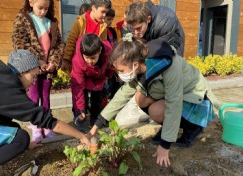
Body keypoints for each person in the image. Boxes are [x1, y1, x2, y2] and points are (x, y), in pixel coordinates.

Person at [89, 34, 220, 167]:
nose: (120, 74)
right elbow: (121, 96)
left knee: (156, 110)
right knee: (140, 98)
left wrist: (165, 145)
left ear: (134, 64)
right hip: (176, 96)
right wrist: (97, 124)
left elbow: (173, 103)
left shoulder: (168, 65)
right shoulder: (138, 69)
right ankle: (168, 129)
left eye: (121, 70)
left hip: (195, 98)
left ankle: (193, 127)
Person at [0, 50, 90, 176]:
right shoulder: (6, 91)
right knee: (21, 138)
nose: (34, 82)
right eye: (34, 76)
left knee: (13, 129)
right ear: (21, 73)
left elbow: (0, 118)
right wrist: (81, 136)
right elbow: (47, 121)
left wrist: (27, 146)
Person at [12, 0, 64, 142]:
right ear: (31, 2)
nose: (43, 12)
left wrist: (53, 61)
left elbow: (58, 45)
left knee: (46, 97)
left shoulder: (51, 22)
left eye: (46, 9)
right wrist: (36, 61)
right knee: (34, 98)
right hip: (32, 69)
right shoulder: (23, 19)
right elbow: (20, 42)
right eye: (40, 8)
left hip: (47, 69)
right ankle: (36, 127)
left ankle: (46, 126)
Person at [71, 33, 112, 133]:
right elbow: (78, 86)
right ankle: (80, 124)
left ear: (100, 51)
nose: (90, 61)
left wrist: (108, 75)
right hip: (84, 78)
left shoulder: (108, 52)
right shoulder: (77, 61)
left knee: (97, 100)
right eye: (87, 57)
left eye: (93, 58)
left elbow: (111, 66)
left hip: (99, 76)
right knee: (81, 101)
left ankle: (95, 123)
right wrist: (80, 108)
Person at [61, 0, 112, 72]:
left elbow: (104, 48)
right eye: (102, 12)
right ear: (94, 8)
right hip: (78, 67)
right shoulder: (80, 22)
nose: (104, 15)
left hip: (94, 68)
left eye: (106, 12)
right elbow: (71, 42)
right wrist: (66, 60)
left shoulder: (103, 26)